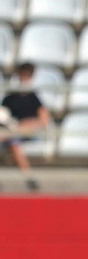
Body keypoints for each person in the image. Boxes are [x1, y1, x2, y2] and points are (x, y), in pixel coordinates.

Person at [2, 63, 49, 192]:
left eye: (27, 75)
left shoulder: (34, 97)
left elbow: (43, 120)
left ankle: (29, 178)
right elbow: (4, 117)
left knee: (13, 141)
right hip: (11, 133)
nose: (24, 78)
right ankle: (29, 178)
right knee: (13, 142)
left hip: (28, 133)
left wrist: (24, 124)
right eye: (22, 75)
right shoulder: (10, 98)